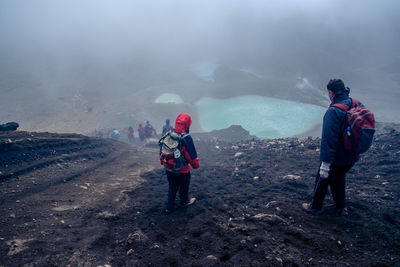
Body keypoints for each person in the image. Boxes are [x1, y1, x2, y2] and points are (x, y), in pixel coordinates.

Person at [302, 79, 364, 216]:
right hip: (352, 155)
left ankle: (315, 207)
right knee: (339, 177)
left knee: (322, 178)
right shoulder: (356, 103)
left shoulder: (333, 111)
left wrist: (325, 162)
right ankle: (341, 208)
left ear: (331, 93)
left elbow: (328, 140)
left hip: (337, 156)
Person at [163, 113, 200, 214]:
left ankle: (169, 207)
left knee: (173, 186)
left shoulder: (170, 133)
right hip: (182, 169)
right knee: (184, 185)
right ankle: (184, 202)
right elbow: (192, 158)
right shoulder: (186, 138)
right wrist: (196, 165)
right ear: (187, 124)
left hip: (169, 167)